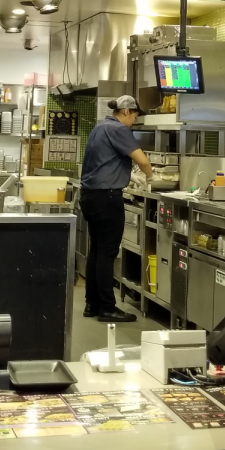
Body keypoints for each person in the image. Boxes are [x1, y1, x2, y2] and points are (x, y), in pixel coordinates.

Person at [79, 95, 153, 323]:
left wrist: (127, 175)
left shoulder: (99, 127)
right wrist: (152, 178)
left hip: (90, 196)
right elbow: (143, 160)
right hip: (107, 198)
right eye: (135, 116)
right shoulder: (119, 129)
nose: (135, 121)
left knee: (96, 251)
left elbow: (105, 162)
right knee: (107, 254)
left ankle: (92, 304)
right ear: (126, 112)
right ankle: (107, 308)